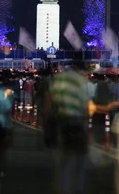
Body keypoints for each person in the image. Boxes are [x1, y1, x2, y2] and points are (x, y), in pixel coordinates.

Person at [46, 61, 90, 194]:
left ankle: (62, 189)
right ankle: (79, 189)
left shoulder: (60, 79)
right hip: (78, 122)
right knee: (80, 161)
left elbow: (50, 100)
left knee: (62, 160)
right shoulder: (81, 81)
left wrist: (47, 123)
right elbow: (85, 106)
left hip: (62, 120)